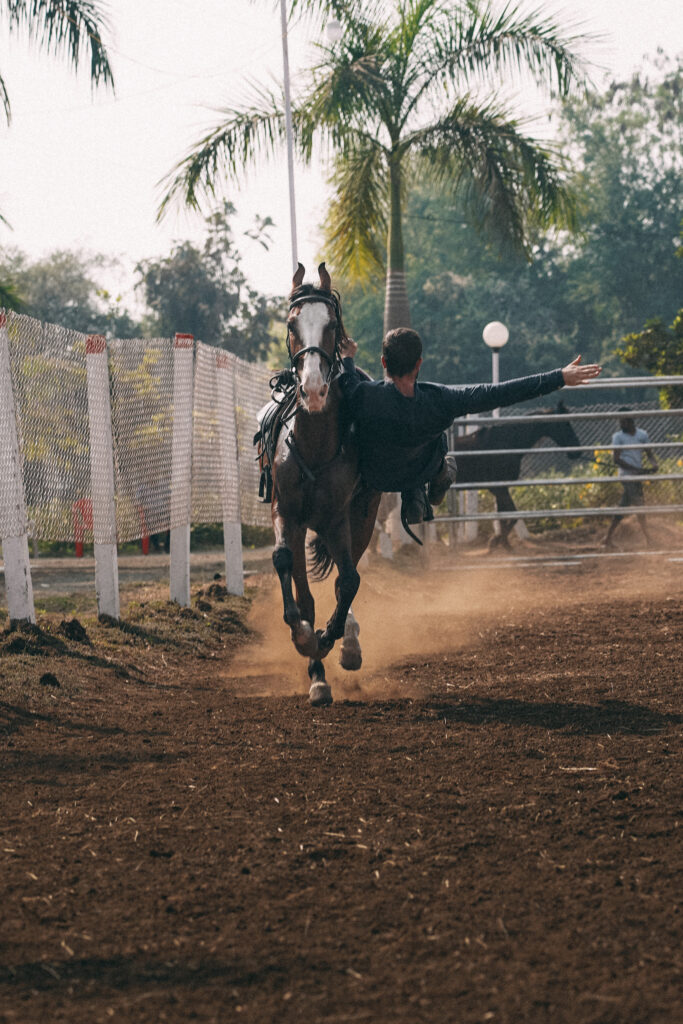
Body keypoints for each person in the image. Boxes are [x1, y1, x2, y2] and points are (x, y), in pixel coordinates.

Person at [338, 327, 602, 524]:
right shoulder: (442, 400)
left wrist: (348, 358)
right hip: (418, 471)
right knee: (438, 441)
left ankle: (411, 491)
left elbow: (348, 385)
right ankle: (423, 487)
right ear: (419, 363)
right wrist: (559, 377)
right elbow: (501, 392)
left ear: (384, 363)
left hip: (376, 476)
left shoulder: (366, 396)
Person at [603, 410, 658, 549]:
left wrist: (653, 464)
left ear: (630, 421)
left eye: (623, 421)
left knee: (623, 506)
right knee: (639, 505)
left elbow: (649, 453)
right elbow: (616, 459)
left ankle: (608, 538)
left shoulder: (642, 435)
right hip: (626, 476)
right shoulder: (618, 437)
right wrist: (636, 469)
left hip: (636, 475)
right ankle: (649, 539)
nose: (621, 424)